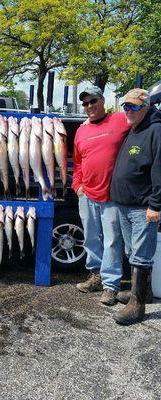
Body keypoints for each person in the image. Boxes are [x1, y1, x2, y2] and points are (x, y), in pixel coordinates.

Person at [72, 85, 130, 305]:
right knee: (90, 238)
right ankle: (94, 275)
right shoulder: (81, 130)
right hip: (87, 194)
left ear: (102, 100)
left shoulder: (120, 120)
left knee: (113, 241)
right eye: (85, 103)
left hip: (112, 195)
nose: (89, 106)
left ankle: (111, 285)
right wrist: (77, 186)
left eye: (93, 101)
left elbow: (143, 125)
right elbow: (77, 162)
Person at [110, 88, 161, 325]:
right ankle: (143, 292)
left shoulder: (155, 131)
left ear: (146, 107)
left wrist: (155, 205)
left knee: (141, 256)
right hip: (124, 204)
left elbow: (159, 171)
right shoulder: (134, 129)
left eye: (134, 107)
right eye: (126, 106)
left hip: (143, 207)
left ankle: (137, 305)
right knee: (132, 252)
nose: (128, 111)